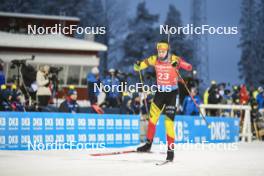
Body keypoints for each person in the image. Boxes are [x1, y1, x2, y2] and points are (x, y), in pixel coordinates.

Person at [134, 41, 192, 162]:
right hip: (160, 93)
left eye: (163, 51)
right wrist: (138, 65)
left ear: (167, 50)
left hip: (172, 94)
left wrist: (178, 65)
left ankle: (170, 151)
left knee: (168, 123)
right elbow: (140, 65)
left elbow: (189, 67)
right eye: (159, 51)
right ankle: (148, 144)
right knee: (152, 119)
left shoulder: (173, 58)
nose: (161, 54)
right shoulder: (154, 59)